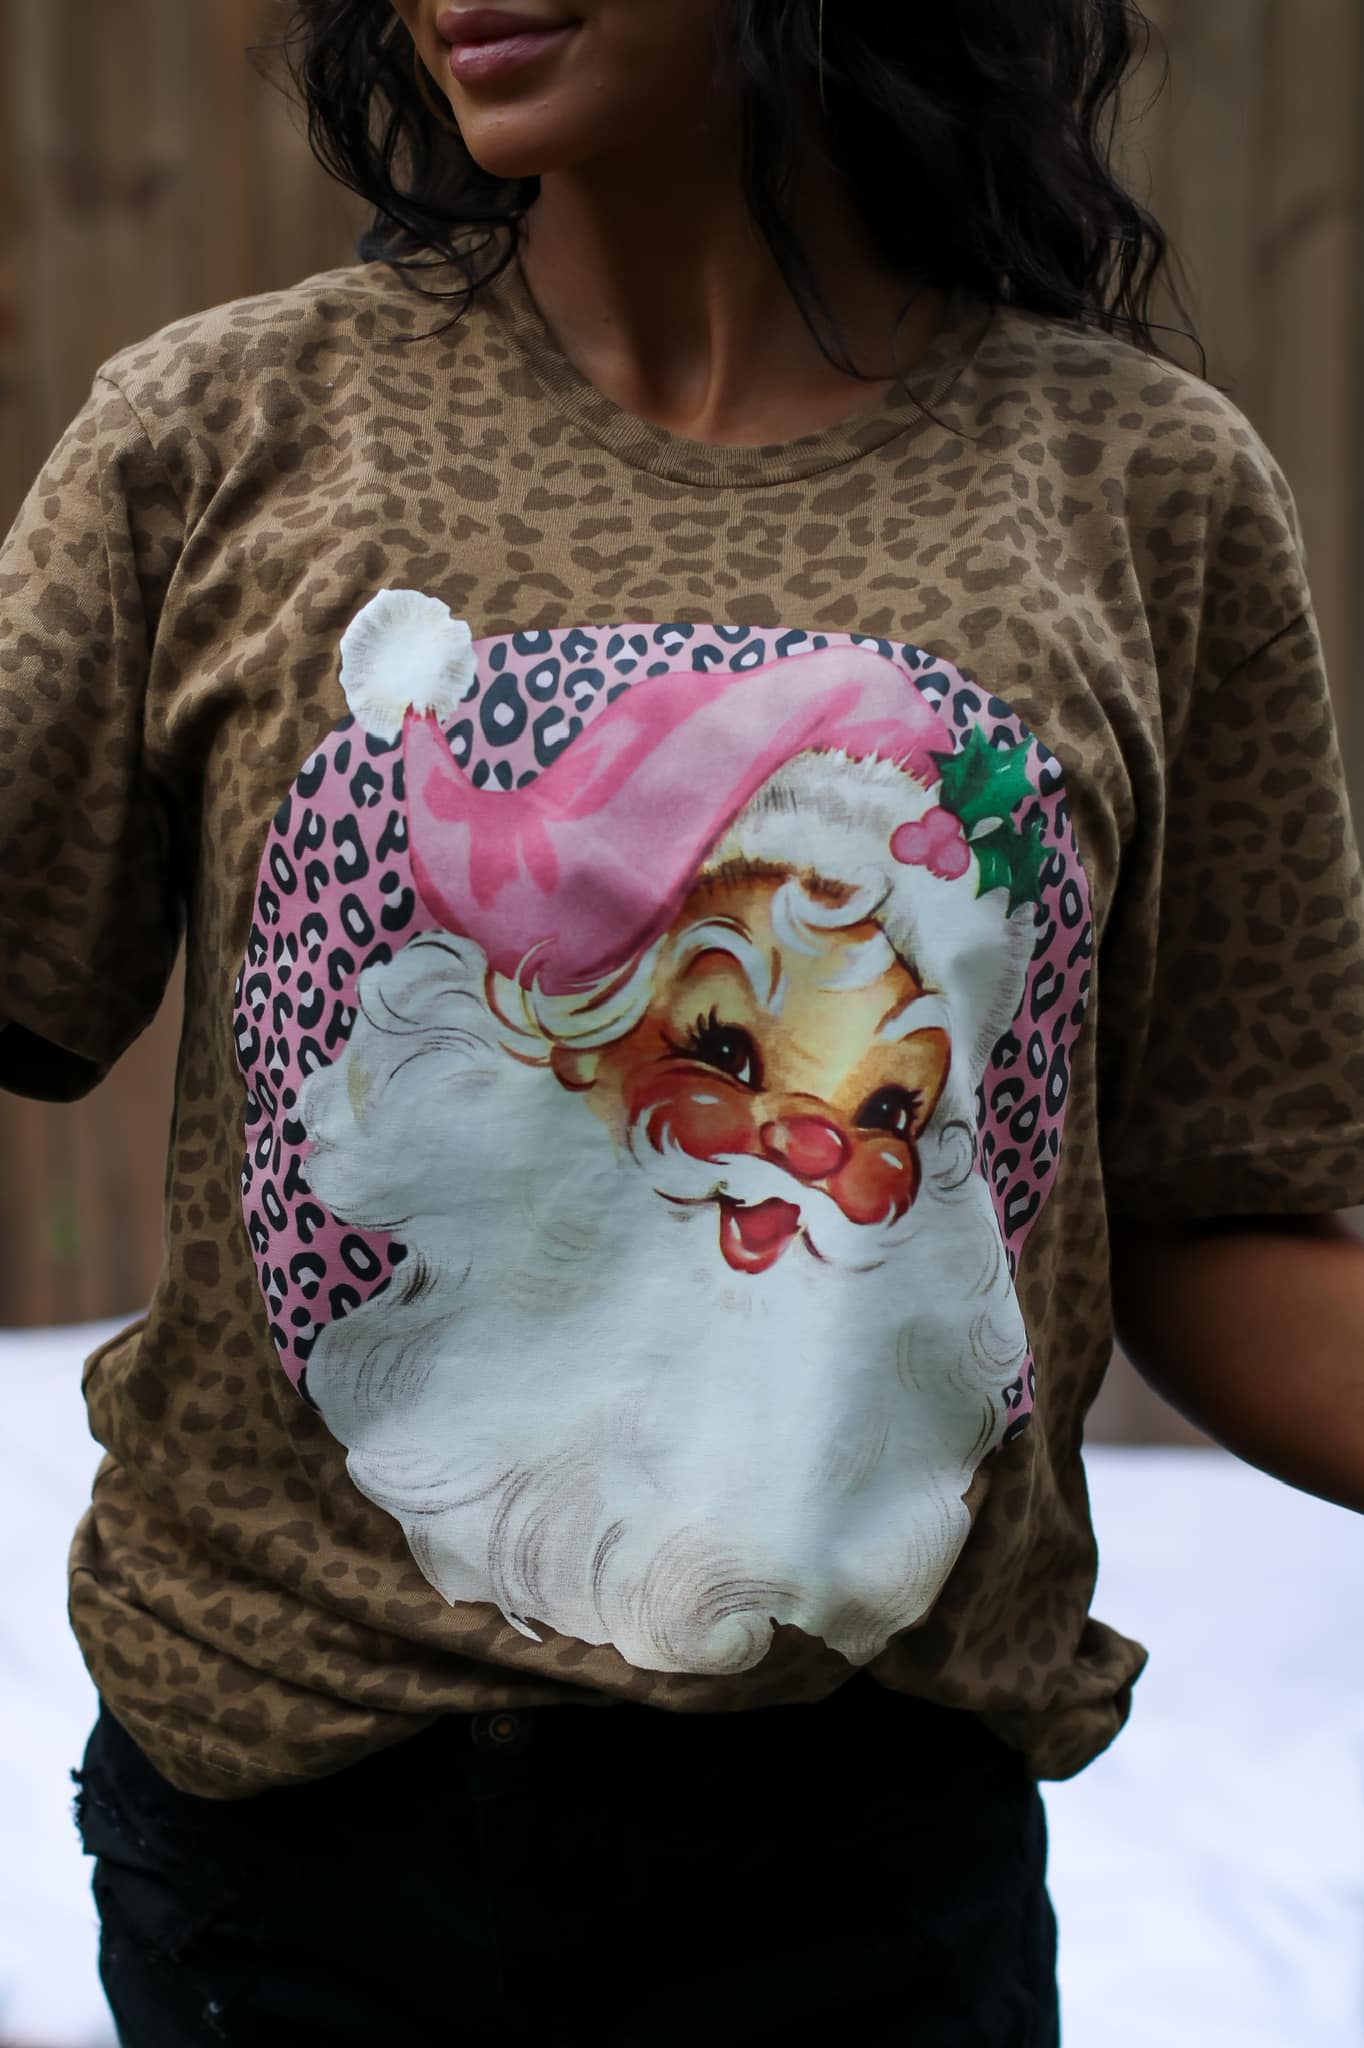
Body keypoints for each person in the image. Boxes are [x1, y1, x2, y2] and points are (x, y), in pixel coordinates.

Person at [3, 0, 1362, 2039]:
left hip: (866, 1866)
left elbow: (1216, 1206)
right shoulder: (223, 433)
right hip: (292, 1851)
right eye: (718, 1051)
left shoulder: (1141, 492)